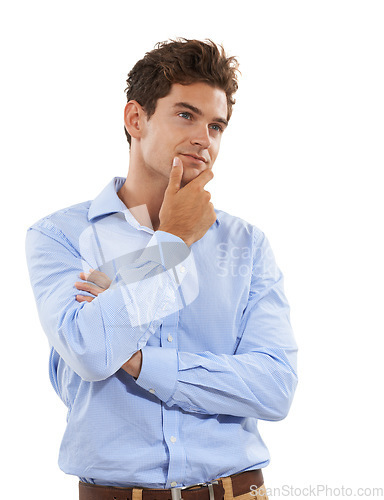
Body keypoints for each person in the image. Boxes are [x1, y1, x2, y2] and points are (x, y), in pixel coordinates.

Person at [26, 38, 298, 500]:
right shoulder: (59, 236)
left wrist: (137, 359)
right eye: (185, 115)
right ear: (136, 119)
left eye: (216, 126)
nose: (203, 138)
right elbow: (91, 351)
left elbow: (274, 387)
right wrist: (169, 245)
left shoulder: (247, 245)